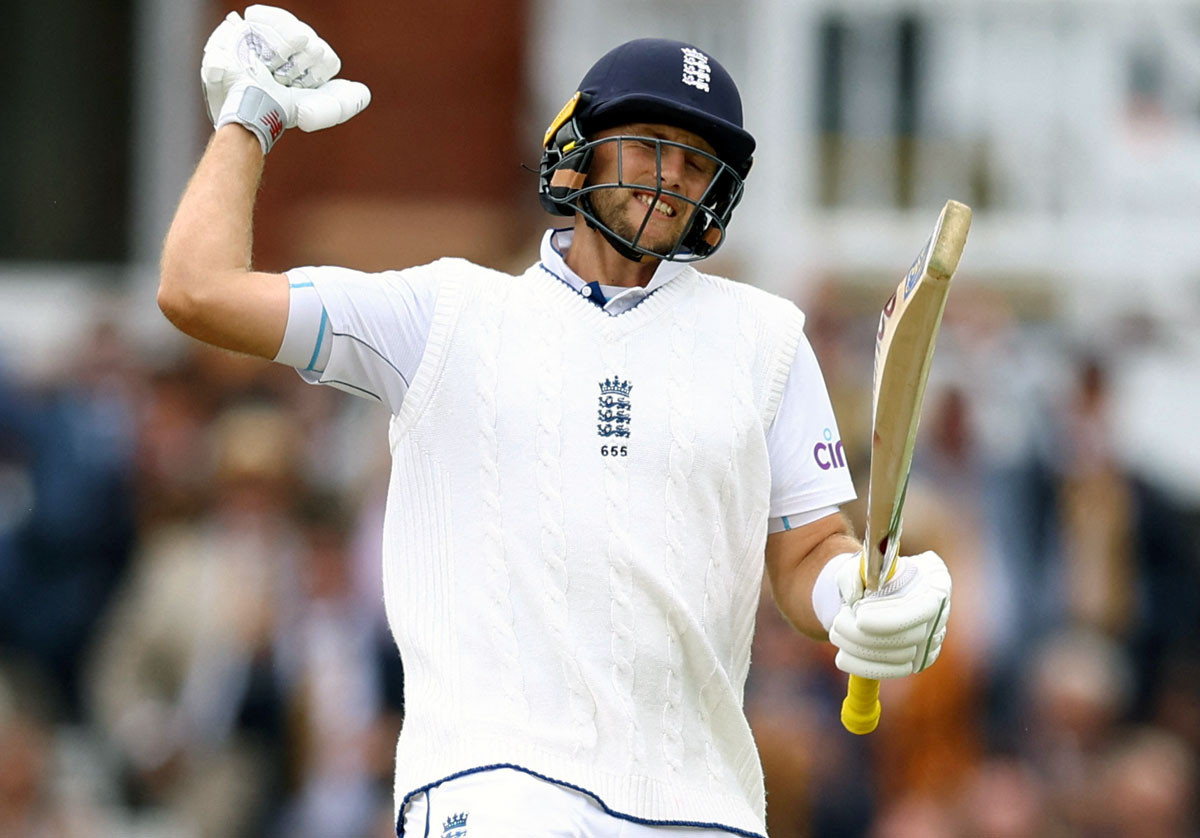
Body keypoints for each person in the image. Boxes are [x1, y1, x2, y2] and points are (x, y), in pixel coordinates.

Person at [157, 6, 953, 837]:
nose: (670, 175)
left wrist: (859, 598)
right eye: (647, 144)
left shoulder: (767, 339)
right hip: (493, 786)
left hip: (700, 804)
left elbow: (806, 554)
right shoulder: (443, 313)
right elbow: (197, 291)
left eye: (695, 159)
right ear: (578, 152)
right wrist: (251, 113)